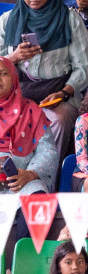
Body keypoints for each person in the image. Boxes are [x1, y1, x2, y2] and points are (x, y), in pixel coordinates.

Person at [1, 0, 88, 135]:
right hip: (18, 94)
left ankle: (50, 163)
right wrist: (14, 57)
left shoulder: (69, 19)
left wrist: (63, 93)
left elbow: (84, 68)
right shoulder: (8, 20)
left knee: (57, 119)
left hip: (58, 94)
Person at [0, 59, 57, 198]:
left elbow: (47, 151)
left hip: (24, 182)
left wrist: (30, 174)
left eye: (3, 74)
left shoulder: (31, 111)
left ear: (13, 77)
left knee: (37, 197)